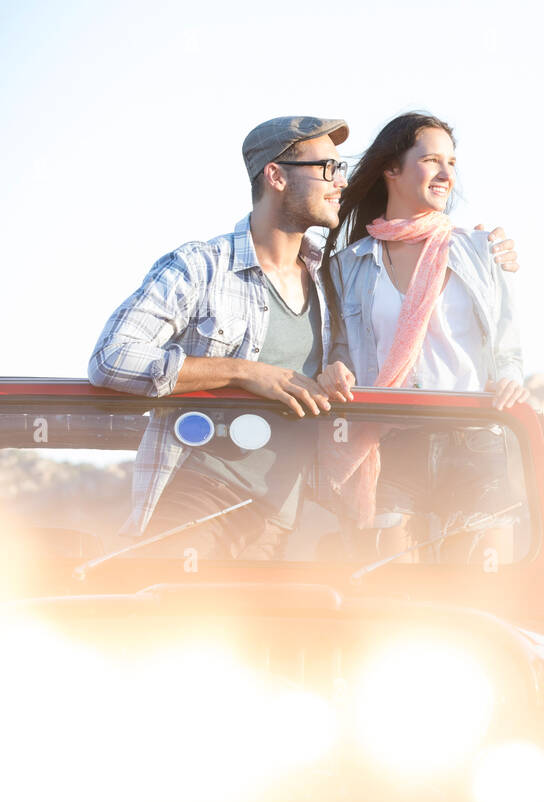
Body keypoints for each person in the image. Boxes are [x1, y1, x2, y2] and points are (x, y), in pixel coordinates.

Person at [87, 115, 521, 553]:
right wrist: (244, 372)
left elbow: (351, 360)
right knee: (183, 618)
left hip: (279, 516)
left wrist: (485, 250)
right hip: (199, 495)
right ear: (275, 176)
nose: (340, 183)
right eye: (327, 169)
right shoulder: (202, 266)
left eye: (342, 169)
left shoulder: (328, 276)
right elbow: (112, 359)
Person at [320, 112, 528, 554]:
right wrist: (335, 369)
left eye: (451, 163)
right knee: (393, 591)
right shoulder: (348, 265)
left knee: (481, 593)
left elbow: (508, 345)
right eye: (431, 160)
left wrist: (511, 376)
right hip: (394, 441)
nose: (446, 174)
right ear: (391, 169)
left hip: (475, 439)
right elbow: (339, 350)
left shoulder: (481, 250)